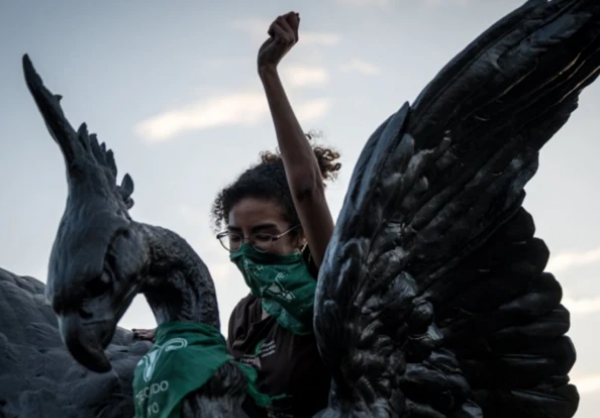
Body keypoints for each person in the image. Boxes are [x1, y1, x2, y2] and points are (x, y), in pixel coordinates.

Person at [134, 11, 339, 418]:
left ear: (299, 235)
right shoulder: (243, 316)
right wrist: (183, 341)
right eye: (235, 237)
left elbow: (307, 189)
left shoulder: (328, 281)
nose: (246, 249)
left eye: (263, 234)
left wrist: (268, 71)